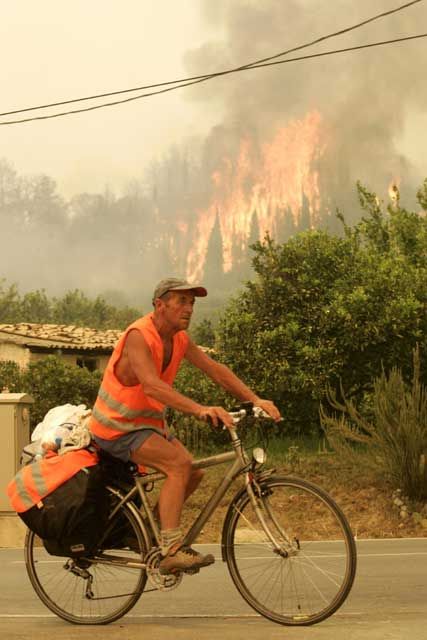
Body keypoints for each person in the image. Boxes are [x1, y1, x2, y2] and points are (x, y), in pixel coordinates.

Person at [89, 277, 281, 574]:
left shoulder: (178, 338)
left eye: (192, 303)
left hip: (146, 424)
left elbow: (215, 371)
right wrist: (199, 409)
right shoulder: (139, 335)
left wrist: (256, 400)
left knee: (193, 471)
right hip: (116, 427)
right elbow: (151, 387)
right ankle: (170, 551)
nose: (189, 308)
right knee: (179, 465)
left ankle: (147, 534)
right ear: (159, 304)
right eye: (182, 301)